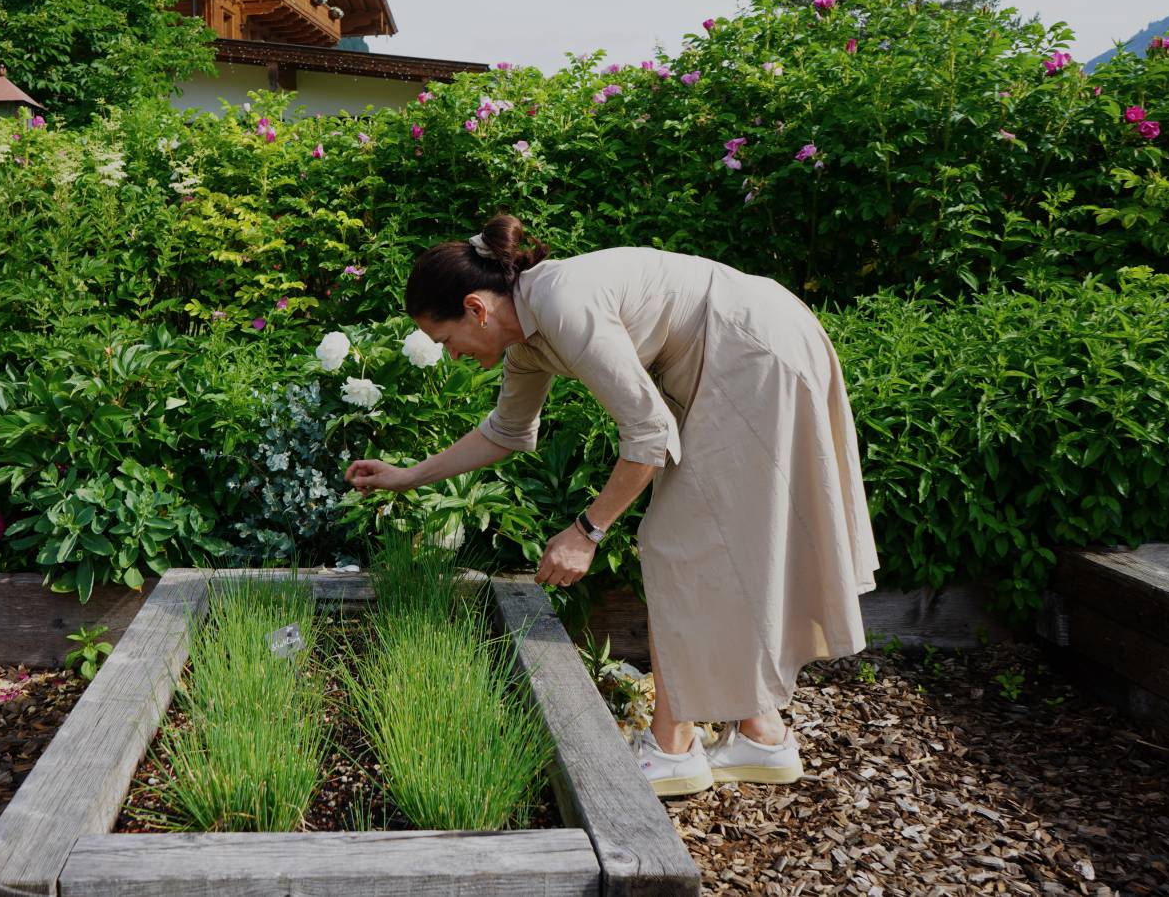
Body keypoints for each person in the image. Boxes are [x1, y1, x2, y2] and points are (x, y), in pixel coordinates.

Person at [344, 214, 879, 796]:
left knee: (677, 543)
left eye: (447, 341)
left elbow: (648, 433)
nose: (451, 356)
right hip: (744, 346)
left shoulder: (563, 304)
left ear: (476, 308)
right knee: (722, 542)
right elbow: (508, 431)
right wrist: (408, 477)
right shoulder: (525, 337)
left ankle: (675, 746)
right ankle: (760, 733)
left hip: (751, 348)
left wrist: (586, 530)